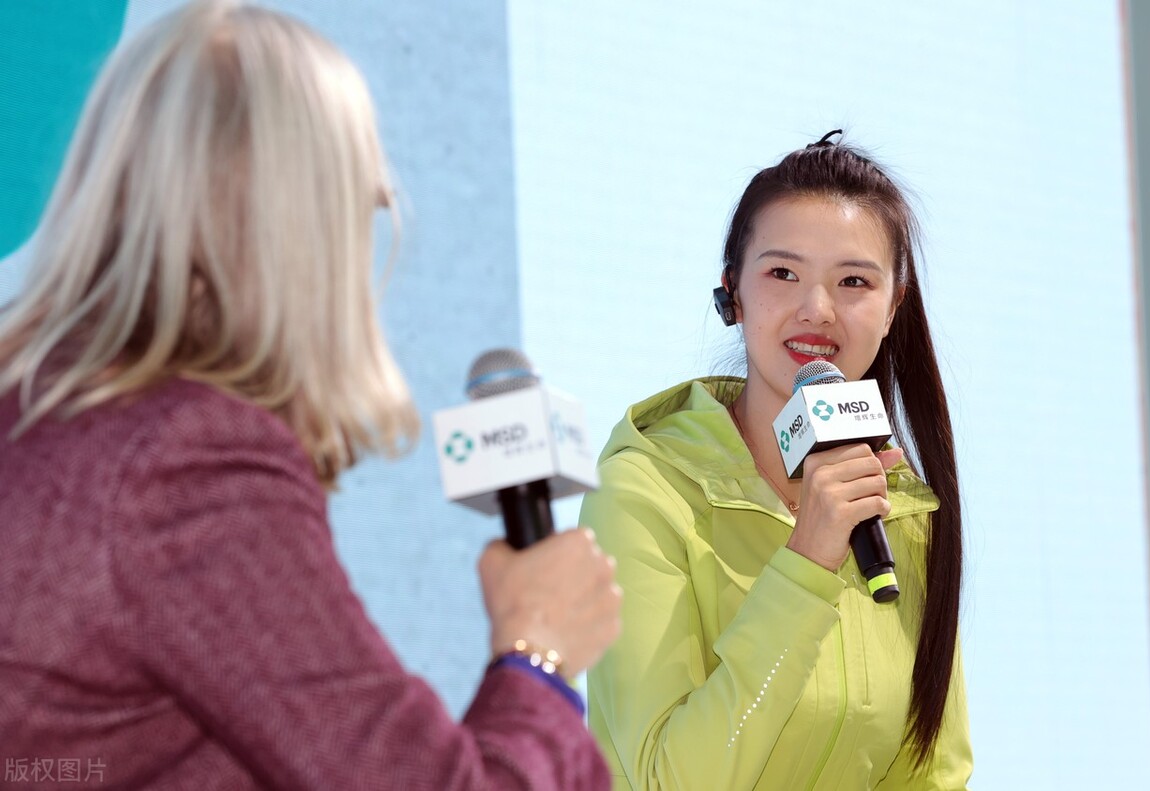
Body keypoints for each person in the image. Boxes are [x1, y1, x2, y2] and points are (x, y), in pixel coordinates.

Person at [0, 2, 620, 789]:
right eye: (367, 209)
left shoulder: (35, 415)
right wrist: (541, 654)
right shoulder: (188, 463)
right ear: (311, 232)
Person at [580, 132, 972, 789]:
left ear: (892, 306)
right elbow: (666, 779)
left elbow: (933, 770)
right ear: (731, 292)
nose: (816, 310)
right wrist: (808, 559)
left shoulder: (899, 509)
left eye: (853, 281)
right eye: (783, 273)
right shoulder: (644, 492)